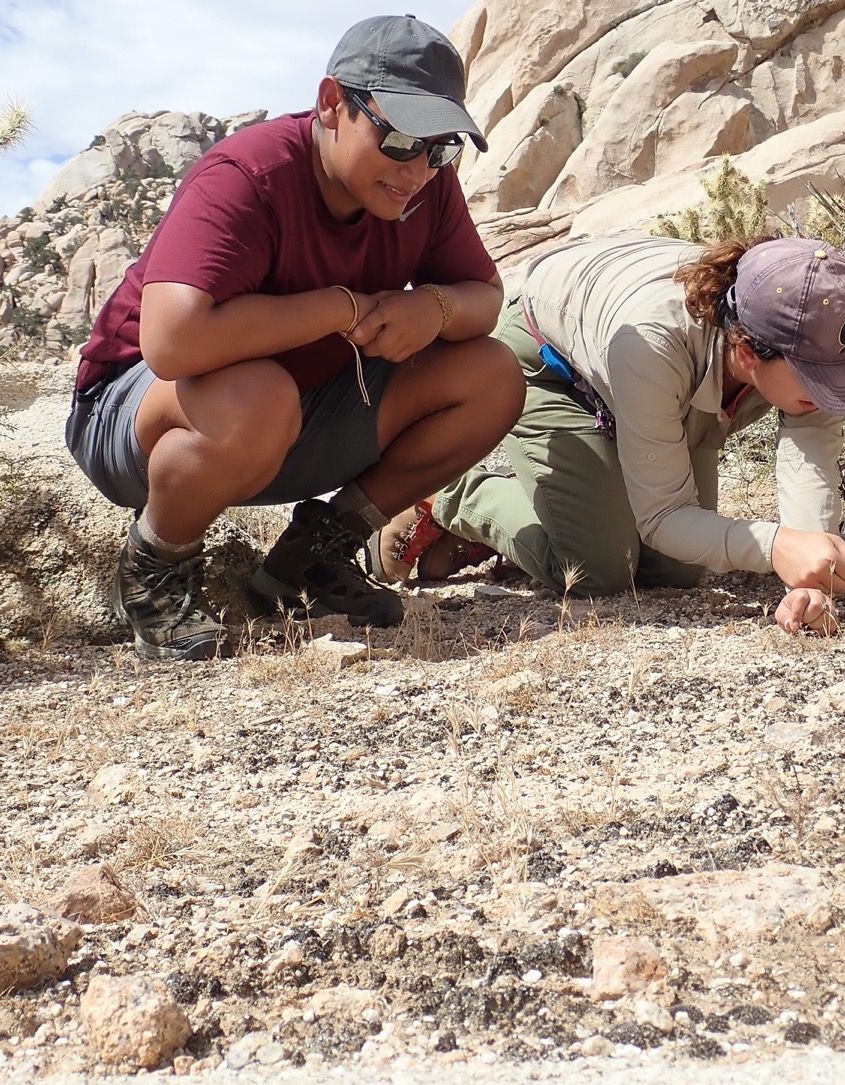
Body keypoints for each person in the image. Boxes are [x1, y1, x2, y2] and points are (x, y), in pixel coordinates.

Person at [65, 15, 524, 659]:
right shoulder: (246, 176)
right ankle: (155, 572)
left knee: (493, 375)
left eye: (441, 146)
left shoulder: (424, 189)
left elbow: (485, 298)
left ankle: (312, 556)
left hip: (291, 415)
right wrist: (341, 307)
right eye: (400, 138)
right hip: (135, 415)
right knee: (259, 394)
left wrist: (435, 309)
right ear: (333, 103)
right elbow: (171, 343)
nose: (419, 168)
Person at [369, 235, 845, 634]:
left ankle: (562, 512)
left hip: (642, 376)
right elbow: (664, 515)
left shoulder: (805, 341)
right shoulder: (654, 342)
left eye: (840, 375)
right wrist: (778, 545)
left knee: (678, 568)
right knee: (600, 569)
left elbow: (809, 455)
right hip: (547, 360)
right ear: (744, 353)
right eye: (816, 378)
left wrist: (808, 579)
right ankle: (451, 495)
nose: (831, 391)